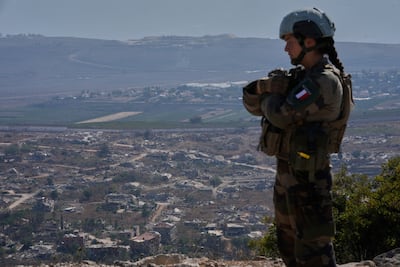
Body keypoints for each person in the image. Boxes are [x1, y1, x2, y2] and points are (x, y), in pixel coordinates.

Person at [242, 7, 353, 267]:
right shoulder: (301, 77)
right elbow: (250, 103)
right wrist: (265, 87)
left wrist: (270, 94)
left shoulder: (323, 81)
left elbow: (281, 114)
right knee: (288, 245)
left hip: (309, 179)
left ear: (309, 41)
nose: (286, 49)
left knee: (314, 251)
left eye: (289, 41)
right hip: (289, 174)